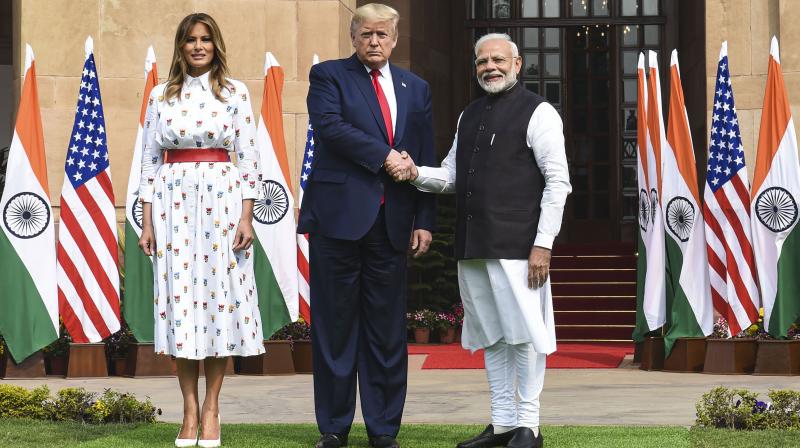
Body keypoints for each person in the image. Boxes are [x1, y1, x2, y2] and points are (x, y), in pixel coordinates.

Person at [387, 33, 571, 448]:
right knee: (492, 334)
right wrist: (415, 172)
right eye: (482, 61)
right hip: (473, 246)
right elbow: (451, 176)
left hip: (519, 246)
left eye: (498, 60)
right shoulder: (468, 115)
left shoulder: (539, 112)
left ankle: (530, 426)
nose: (490, 66)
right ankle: (503, 424)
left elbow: (558, 183)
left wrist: (543, 244)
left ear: (517, 64)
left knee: (525, 334)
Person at [297, 3, 436, 448]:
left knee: (386, 331)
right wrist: (384, 156)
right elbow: (331, 128)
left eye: (382, 35)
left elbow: (424, 156)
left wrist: (424, 219)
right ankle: (334, 428)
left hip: (393, 223)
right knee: (335, 329)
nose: (374, 42)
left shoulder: (416, 88)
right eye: (365, 35)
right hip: (338, 220)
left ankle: (383, 431)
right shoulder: (330, 76)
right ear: (353, 36)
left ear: (395, 39)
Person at [137, 13, 264, 448]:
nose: (197, 46)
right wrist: (147, 220)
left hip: (223, 203)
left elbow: (249, 156)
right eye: (190, 40)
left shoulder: (234, 92)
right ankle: (188, 411)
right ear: (180, 45)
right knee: (181, 305)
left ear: (215, 45)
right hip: (172, 204)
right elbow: (149, 160)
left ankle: (212, 408)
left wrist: (247, 216)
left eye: (205, 39)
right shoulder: (160, 95)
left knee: (220, 303)